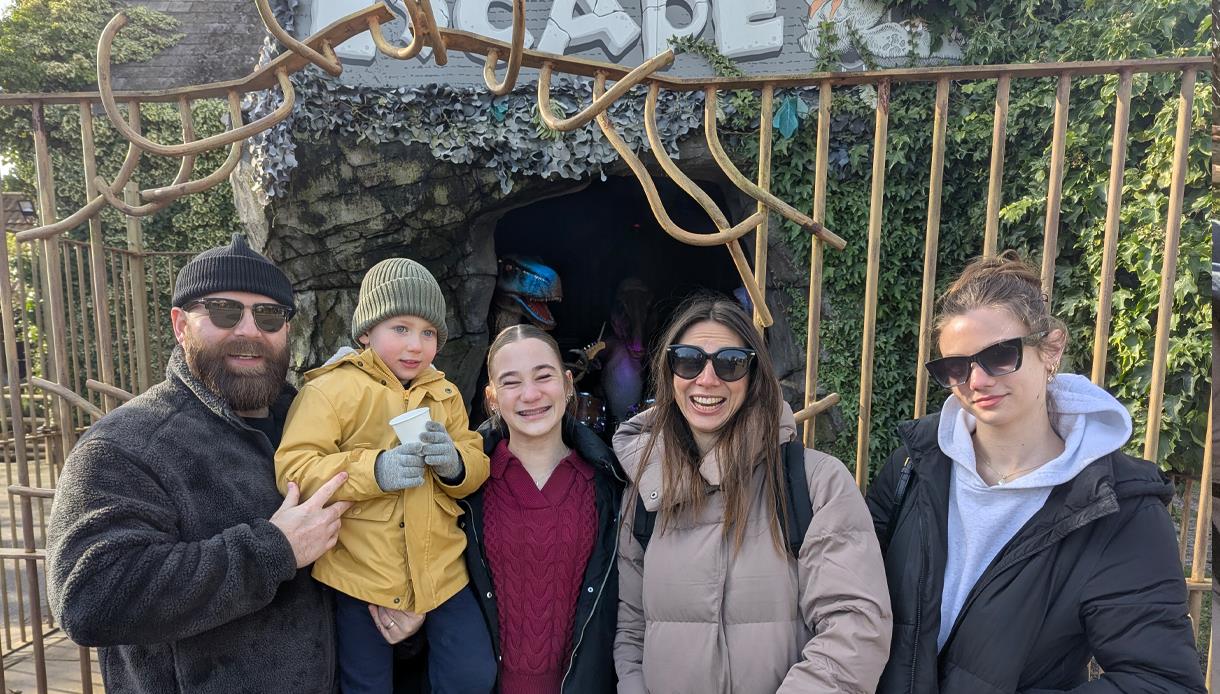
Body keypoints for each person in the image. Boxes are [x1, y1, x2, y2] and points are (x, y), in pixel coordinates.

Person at [866, 251, 1206, 692]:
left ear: (1051, 349)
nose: (977, 381)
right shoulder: (912, 466)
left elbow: (1162, 682)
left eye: (1000, 355)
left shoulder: (1116, 506)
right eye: (955, 367)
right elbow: (854, 601)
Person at [46, 233, 350, 693]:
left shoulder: (321, 422)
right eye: (225, 311)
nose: (249, 330)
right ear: (180, 324)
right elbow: (89, 598)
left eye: (268, 315)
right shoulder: (126, 445)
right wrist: (272, 550)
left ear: (288, 328)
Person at [613, 296, 892, 693]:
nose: (707, 379)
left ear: (753, 375)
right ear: (669, 371)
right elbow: (632, 630)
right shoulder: (646, 489)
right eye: (689, 360)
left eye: (730, 363)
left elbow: (854, 626)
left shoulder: (814, 482)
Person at [275, 257, 495, 694]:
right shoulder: (330, 389)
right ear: (365, 333)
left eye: (428, 333)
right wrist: (376, 469)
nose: (416, 345)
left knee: (474, 675)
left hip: (442, 573)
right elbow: (294, 469)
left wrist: (454, 464)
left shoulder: (445, 394)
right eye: (401, 329)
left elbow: (475, 461)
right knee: (366, 686)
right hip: (361, 577)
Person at [460, 324, 624, 693]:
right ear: (492, 398)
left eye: (543, 376)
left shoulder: (610, 485)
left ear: (567, 384)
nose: (530, 394)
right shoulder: (464, 487)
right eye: (511, 382)